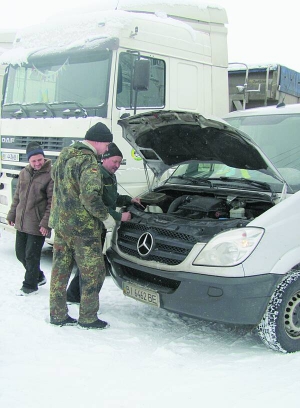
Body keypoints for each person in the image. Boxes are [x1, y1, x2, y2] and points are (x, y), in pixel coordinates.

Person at [49, 122, 112, 329]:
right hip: (83, 229)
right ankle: (88, 317)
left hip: (61, 224)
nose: (107, 149)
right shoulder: (89, 162)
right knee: (93, 272)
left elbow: (57, 182)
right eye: (107, 145)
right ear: (98, 141)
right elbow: (90, 196)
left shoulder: (64, 155)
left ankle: (57, 314)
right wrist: (106, 217)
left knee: (60, 271)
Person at [66, 142, 142, 303]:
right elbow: (97, 203)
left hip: (99, 227)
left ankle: (73, 295)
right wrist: (119, 217)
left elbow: (112, 199)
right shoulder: (97, 175)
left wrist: (129, 199)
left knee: (85, 264)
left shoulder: (110, 176)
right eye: (114, 161)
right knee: (90, 265)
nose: (117, 165)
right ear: (105, 159)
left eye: (119, 162)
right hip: (91, 227)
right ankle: (80, 298)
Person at [7, 142, 53, 295]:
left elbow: (52, 202)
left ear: (43, 157)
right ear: (28, 161)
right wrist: (12, 214)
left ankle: (29, 286)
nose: (37, 163)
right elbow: (17, 196)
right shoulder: (24, 173)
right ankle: (38, 276)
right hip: (22, 221)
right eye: (33, 161)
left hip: (38, 223)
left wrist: (46, 223)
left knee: (31, 256)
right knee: (20, 254)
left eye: (39, 159)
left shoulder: (50, 175)